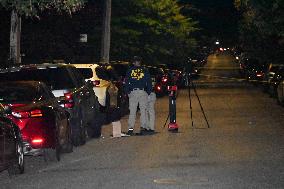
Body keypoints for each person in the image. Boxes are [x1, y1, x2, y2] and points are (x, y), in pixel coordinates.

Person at [125, 56, 152, 135]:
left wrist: (127, 92)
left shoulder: (130, 71)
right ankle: (141, 127)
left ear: (133, 62)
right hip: (141, 92)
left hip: (135, 92)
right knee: (142, 111)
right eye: (137, 61)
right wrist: (148, 92)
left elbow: (127, 82)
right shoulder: (145, 70)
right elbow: (149, 82)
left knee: (133, 111)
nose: (137, 62)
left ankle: (131, 128)